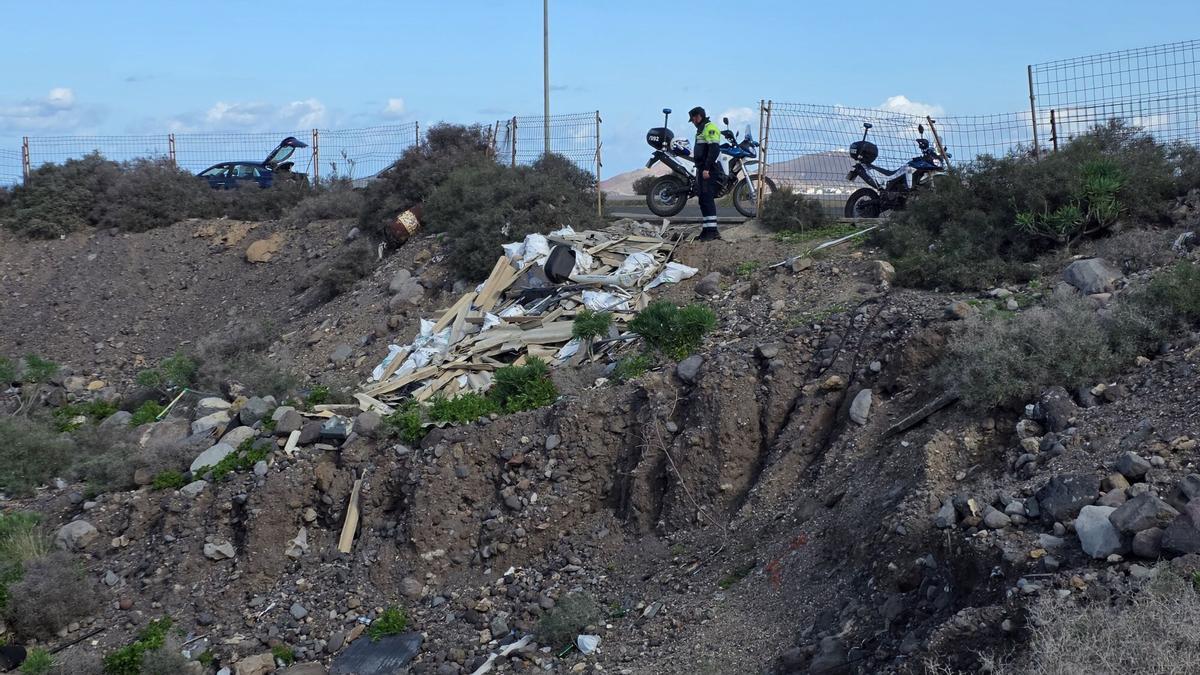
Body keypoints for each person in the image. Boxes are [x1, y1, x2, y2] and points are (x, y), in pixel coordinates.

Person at [689, 106, 722, 241]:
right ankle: (706, 229)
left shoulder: (710, 128)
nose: (692, 122)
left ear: (698, 117)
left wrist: (707, 168)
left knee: (707, 199)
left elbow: (714, 149)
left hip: (709, 170)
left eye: (692, 119)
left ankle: (713, 231)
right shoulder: (700, 130)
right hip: (702, 169)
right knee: (702, 200)